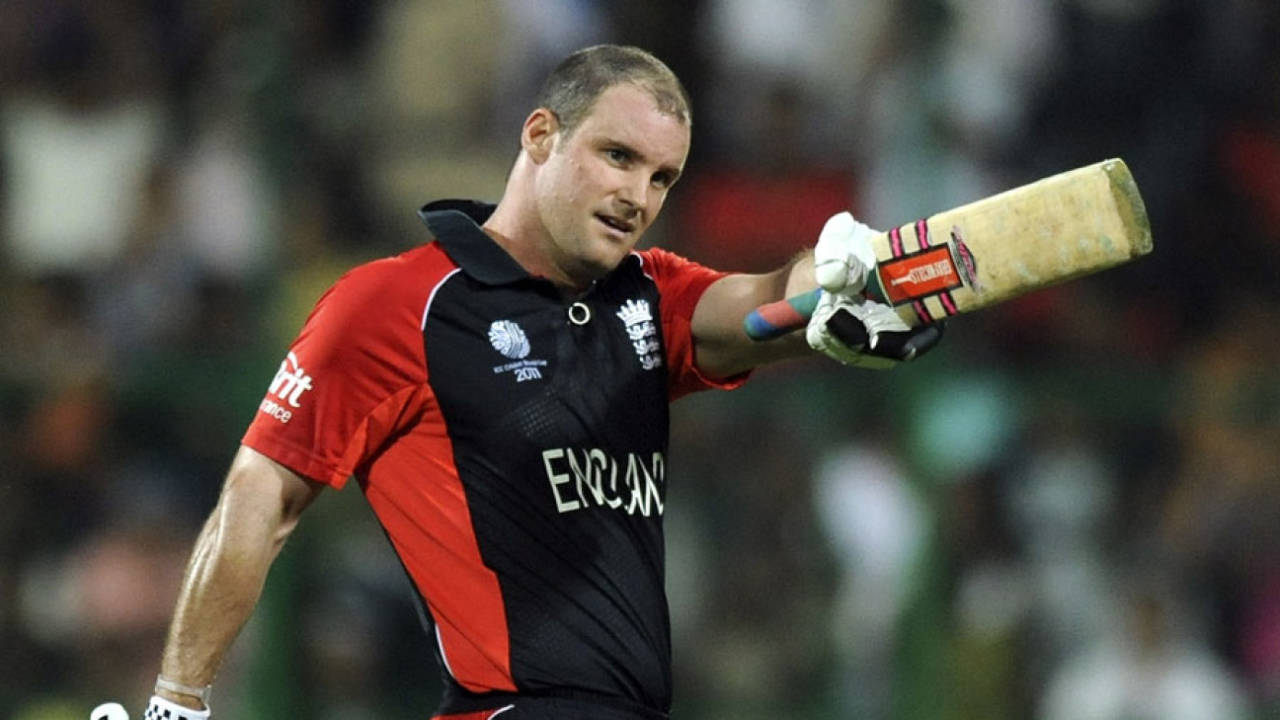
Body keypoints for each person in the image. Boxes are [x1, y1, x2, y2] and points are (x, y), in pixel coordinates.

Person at [139, 44, 940, 720]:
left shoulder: (650, 294)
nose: (637, 196)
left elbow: (763, 299)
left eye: (662, 178)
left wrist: (842, 271)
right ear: (540, 135)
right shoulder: (395, 306)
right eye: (618, 157)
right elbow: (261, 493)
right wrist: (177, 702)